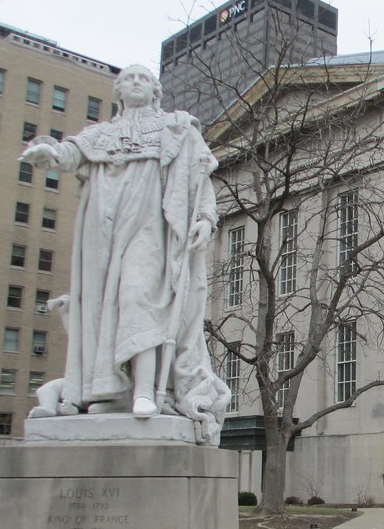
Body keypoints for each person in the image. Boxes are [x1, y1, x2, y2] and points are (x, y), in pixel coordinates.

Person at [21, 64, 229, 443]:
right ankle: (105, 390)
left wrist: (205, 217)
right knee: (105, 310)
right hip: (104, 231)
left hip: (152, 228)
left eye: (144, 79)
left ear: (155, 91)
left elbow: (200, 178)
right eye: (129, 79)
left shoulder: (176, 128)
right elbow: (68, 154)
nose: (136, 82)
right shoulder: (99, 134)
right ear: (118, 91)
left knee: (139, 300)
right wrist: (48, 153)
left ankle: (146, 391)